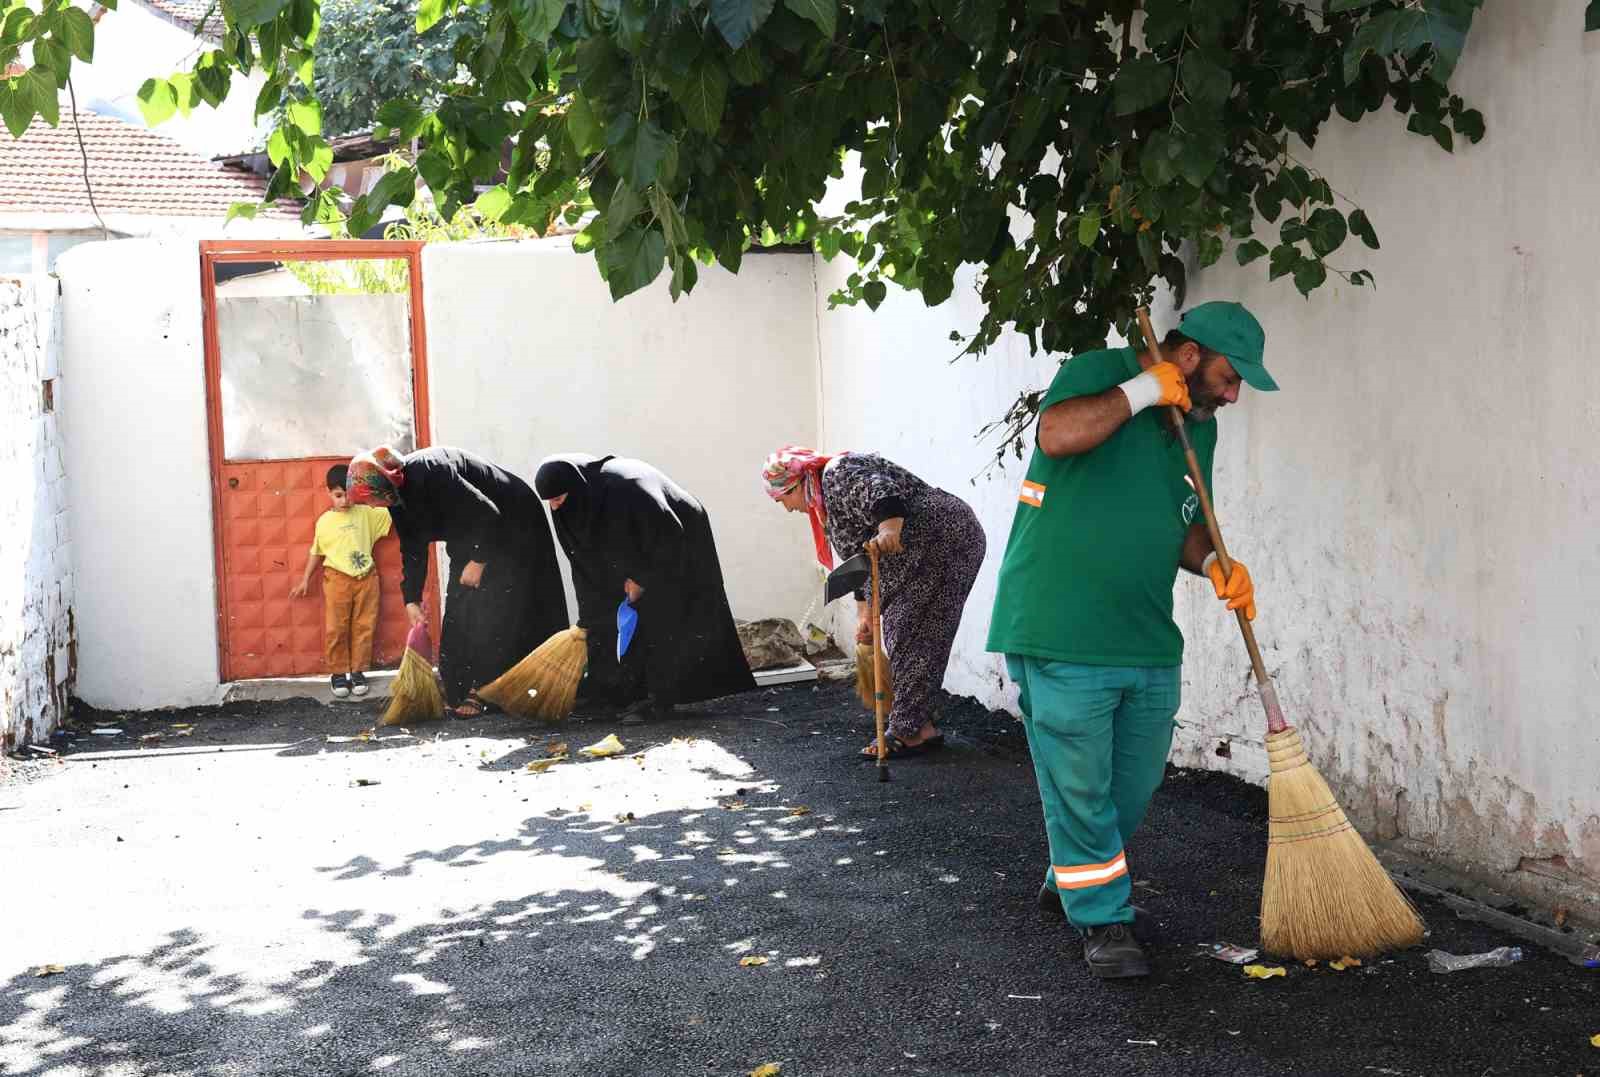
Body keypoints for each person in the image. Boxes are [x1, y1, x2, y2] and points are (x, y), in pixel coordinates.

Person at [986, 301, 1276, 979]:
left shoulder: (1195, 431)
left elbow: (1181, 522)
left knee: (1134, 783)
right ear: (1192, 355)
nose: (1234, 396)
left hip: (1145, 636)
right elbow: (1057, 434)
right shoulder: (1097, 374)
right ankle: (1104, 920)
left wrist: (1214, 563)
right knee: (1082, 785)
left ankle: (1075, 873)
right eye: (1232, 378)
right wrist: (1145, 390)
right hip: (1058, 626)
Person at [763, 447, 986, 759]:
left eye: (782, 499)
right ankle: (919, 725)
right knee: (910, 633)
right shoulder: (827, 499)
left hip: (942, 541)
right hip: (923, 552)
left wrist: (889, 528)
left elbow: (883, 494)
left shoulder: (837, 472)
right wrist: (865, 615)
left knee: (911, 634)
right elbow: (860, 560)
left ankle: (909, 730)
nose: (786, 508)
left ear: (796, 484)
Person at [346, 446, 567, 717]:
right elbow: (412, 548)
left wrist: (479, 560)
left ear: (384, 485)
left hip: (513, 520)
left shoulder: (432, 472)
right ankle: (461, 688)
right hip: (474, 535)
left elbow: (487, 511)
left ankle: (488, 690)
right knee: (460, 609)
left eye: (370, 500)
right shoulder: (396, 498)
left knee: (499, 608)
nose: (370, 506)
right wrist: (411, 599)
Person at [533, 454, 755, 720]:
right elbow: (580, 561)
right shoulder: (567, 503)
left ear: (576, 487)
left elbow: (667, 533)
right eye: (551, 502)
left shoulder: (625, 488)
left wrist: (641, 578)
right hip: (641, 542)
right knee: (604, 613)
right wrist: (587, 617)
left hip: (679, 532)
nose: (555, 508)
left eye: (559, 499)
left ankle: (660, 698)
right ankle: (610, 694)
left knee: (662, 611)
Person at [290, 463, 392, 699]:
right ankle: (338, 673)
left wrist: (376, 484)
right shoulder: (324, 522)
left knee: (364, 626)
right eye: (338, 495)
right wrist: (306, 579)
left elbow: (391, 507)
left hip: (367, 578)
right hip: (336, 580)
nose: (344, 501)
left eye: (349, 494)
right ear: (329, 494)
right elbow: (317, 551)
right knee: (336, 627)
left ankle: (358, 671)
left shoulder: (367, 513)